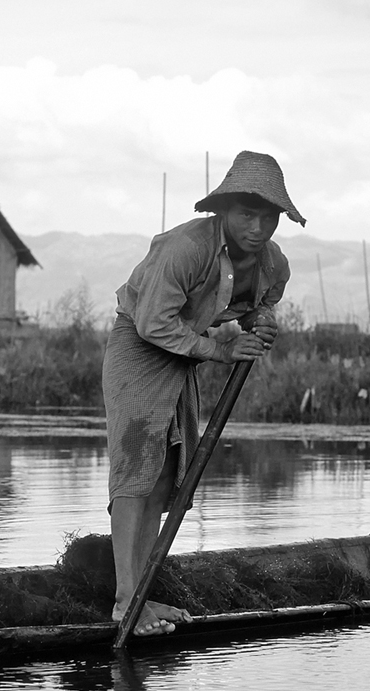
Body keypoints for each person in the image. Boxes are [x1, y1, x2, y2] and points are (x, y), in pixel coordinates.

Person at [102, 150, 306, 637]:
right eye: (246, 215)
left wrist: (260, 324)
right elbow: (153, 323)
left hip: (184, 353)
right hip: (138, 349)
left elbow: (258, 307)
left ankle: (141, 596)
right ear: (224, 211)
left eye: (267, 217)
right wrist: (219, 351)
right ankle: (124, 602)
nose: (257, 228)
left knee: (168, 472)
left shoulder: (273, 264)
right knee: (136, 472)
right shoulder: (185, 248)